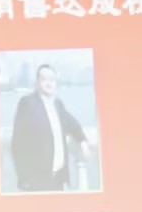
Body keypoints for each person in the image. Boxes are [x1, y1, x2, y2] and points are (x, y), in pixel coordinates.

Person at [8, 64, 89, 192]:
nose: (48, 83)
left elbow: (72, 123)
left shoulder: (57, 104)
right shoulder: (27, 104)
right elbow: (17, 144)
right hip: (37, 180)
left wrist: (82, 141)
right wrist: (24, 178)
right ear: (37, 82)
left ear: (55, 83)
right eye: (44, 79)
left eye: (52, 79)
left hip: (58, 178)